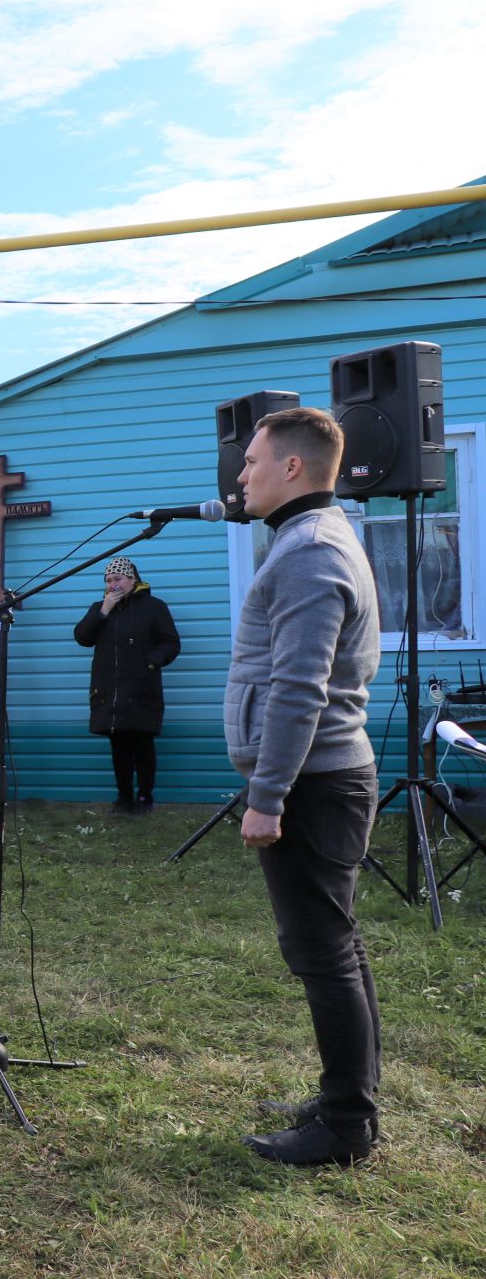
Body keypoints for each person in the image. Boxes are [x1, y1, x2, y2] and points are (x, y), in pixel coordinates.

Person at [230, 406, 382, 1168]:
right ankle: (347, 1104)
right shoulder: (315, 540)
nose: (241, 475)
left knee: (323, 955)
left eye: (252, 461)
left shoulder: (307, 552)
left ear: (292, 467)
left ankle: (346, 1126)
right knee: (337, 949)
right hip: (324, 778)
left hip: (314, 784)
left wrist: (267, 796)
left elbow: (298, 689)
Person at [74, 556, 181, 814]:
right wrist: (104, 611)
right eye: (109, 580)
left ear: (133, 580)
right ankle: (124, 798)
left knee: (143, 744)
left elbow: (170, 643)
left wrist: (151, 662)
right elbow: (82, 638)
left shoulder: (154, 607)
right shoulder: (99, 608)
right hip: (109, 691)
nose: (113, 585)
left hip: (141, 687)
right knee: (119, 746)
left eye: (118, 579)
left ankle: (145, 797)